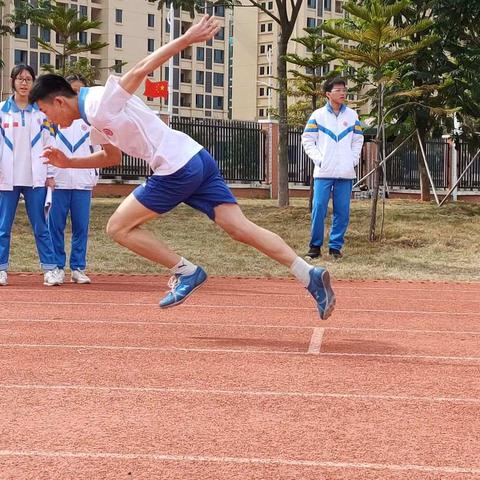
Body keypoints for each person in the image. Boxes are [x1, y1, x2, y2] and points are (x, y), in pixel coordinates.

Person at [29, 15, 336, 319]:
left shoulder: (98, 103)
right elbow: (111, 158)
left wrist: (187, 38)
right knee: (240, 228)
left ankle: (185, 271)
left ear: (58, 101)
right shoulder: (91, 113)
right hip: (196, 157)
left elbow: (141, 69)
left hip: (175, 167)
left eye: (45, 111)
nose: (48, 119)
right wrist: (69, 161)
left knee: (118, 227)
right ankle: (309, 274)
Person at [0, 64, 63, 287]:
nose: (24, 83)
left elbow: (50, 144)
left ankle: (49, 269)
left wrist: (51, 174)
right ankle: (1, 269)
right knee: (2, 227)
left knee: (40, 226)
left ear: (33, 83)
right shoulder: (1, 111)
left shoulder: (41, 113)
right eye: (20, 79)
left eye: (28, 79)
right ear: (13, 81)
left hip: (35, 179)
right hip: (7, 179)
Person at [302, 77, 364, 260]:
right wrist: (320, 160)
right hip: (323, 172)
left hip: (345, 173)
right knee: (319, 208)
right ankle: (315, 247)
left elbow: (358, 139)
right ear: (328, 94)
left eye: (344, 90)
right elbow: (307, 140)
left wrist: (353, 159)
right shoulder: (318, 115)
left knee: (342, 211)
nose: (343, 93)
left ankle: (335, 248)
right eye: (338, 90)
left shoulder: (352, 116)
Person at [48, 74, 100, 284]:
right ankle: (57, 267)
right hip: (58, 182)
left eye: (80, 91)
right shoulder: (54, 121)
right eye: (72, 90)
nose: (76, 95)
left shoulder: (91, 120)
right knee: (56, 226)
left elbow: (99, 149)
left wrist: (93, 176)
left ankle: (78, 267)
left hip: (82, 183)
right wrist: (49, 175)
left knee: (80, 227)